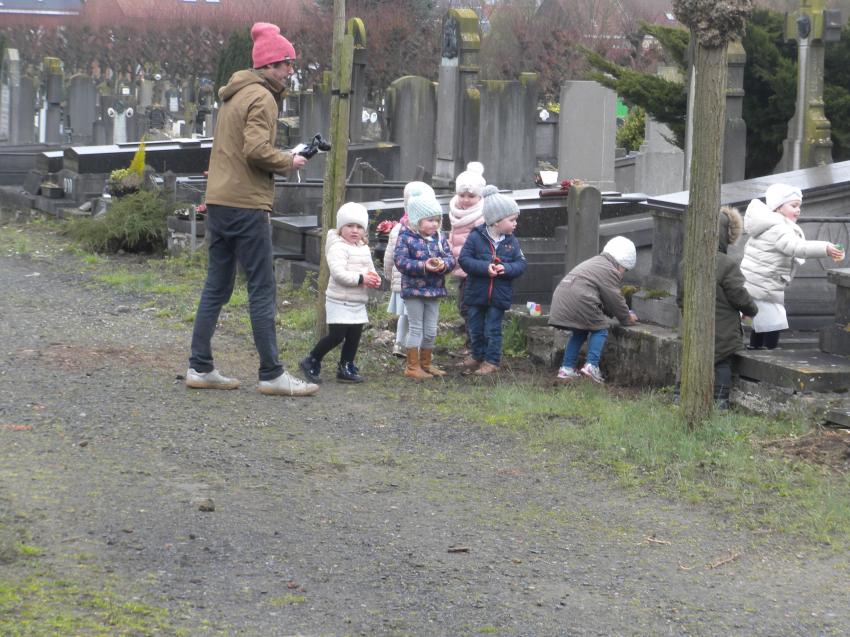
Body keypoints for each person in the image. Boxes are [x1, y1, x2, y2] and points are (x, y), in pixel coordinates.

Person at [186, 22, 319, 397]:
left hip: (219, 201)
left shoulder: (233, 94)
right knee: (262, 287)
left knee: (217, 285)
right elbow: (256, 150)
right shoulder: (262, 97)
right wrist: (288, 161)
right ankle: (272, 373)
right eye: (286, 65)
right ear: (269, 65)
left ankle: (199, 366)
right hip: (246, 204)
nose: (291, 72)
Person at [740, 183, 843, 350]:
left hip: (757, 282)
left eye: (799, 206)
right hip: (766, 284)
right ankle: (770, 351)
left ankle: (756, 348)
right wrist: (825, 248)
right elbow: (798, 247)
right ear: (778, 207)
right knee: (775, 320)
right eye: (793, 205)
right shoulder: (780, 228)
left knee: (761, 320)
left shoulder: (767, 224)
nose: (798, 210)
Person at [676, 207, 759, 410]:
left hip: (694, 327)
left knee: (690, 362)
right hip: (722, 331)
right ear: (726, 235)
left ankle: (679, 396)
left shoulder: (686, 262)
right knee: (722, 363)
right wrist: (752, 309)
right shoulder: (726, 264)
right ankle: (720, 402)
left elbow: (680, 298)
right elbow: (739, 296)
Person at [299, 203, 381, 384]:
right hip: (339, 299)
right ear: (340, 227)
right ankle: (311, 359)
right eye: (350, 226)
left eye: (359, 227)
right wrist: (362, 279)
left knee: (354, 336)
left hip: (357, 300)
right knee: (337, 335)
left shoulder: (363, 248)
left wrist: (374, 278)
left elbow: (370, 269)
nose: (354, 230)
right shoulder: (337, 247)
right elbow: (339, 274)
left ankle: (346, 366)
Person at [548, 236, 638, 383]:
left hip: (562, 296)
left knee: (579, 332)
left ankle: (566, 368)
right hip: (580, 299)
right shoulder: (610, 270)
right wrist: (626, 318)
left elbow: (604, 298)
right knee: (601, 329)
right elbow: (614, 298)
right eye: (625, 270)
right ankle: (591, 366)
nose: (623, 273)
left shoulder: (596, 262)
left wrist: (613, 312)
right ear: (621, 263)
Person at [458, 185, 527, 375]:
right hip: (476, 293)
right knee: (475, 328)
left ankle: (492, 361)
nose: (515, 224)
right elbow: (464, 260)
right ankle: (477, 356)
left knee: (493, 330)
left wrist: (507, 268)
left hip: (499, 295)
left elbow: (521, 263)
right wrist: (484, 268)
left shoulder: (511, 241)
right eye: (512, 220)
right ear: (496, 221)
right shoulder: (475, 237)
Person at [394, 194, 455, 379]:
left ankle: (426, 364)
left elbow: (450, 258)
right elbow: (401, 261)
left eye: (437, 220)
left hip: (434, 290)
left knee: (431, 330)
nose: (435, 224)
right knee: (416, 328)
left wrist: (444, 265)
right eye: (430, 220)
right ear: (417, 220)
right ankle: (412, 367)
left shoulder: (439, 238)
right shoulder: (406, 237)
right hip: (413, 290)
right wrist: (423, 265)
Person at [384, 182, 435, 358]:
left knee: (406, 317)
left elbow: (389, 255)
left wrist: (388, 272)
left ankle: (400, 343)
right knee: (415, 318)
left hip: (403, 281)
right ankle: (412, 347)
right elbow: (392, 253)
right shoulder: (414, 230)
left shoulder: (399, 227)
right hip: (410, 282)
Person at [448, 162, 486, 349]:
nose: (465, 200)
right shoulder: (456, 213)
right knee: (464, 306)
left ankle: (474, 345)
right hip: (461, 267)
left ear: (480, 196)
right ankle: (472, 341)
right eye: (462, 195)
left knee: (468, 307)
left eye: (471, 196)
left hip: (474, 268)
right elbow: (453, 237)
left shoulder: (480, 217)